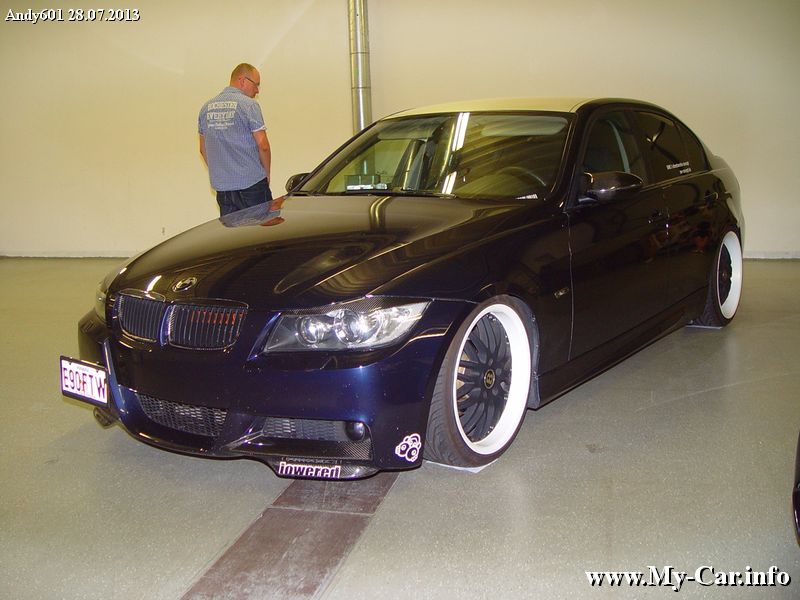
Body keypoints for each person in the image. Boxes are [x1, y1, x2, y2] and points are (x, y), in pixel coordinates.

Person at [199, 63, 273, 216]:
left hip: (224, 190)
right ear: (242, 80)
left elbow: (203, 149)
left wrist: (223, 173)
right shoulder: (249, 106)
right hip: (252, 185)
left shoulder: (205, 108)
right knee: (261, 229)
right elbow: (263, 145)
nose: (257, 90)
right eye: (256, 84)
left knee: (233, 230)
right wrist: (266, 174)